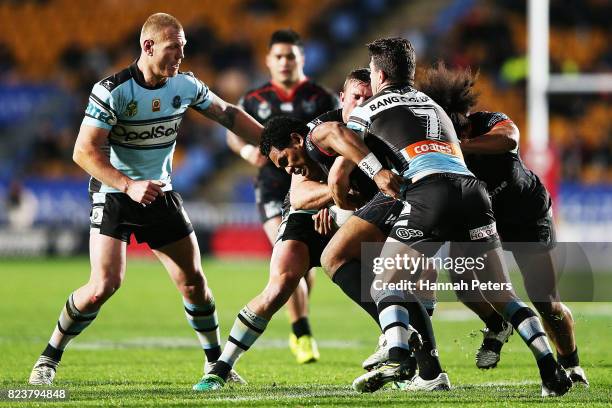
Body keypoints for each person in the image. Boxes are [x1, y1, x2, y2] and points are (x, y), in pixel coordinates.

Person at [28, 13, 263, 386]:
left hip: (160, 194)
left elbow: (229, 115)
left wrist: (271, 142)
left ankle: (217, 364)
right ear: (148, 46)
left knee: (194, 283)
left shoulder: (184, 85)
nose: (180, 57)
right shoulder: (112, 90)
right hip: (115, 195)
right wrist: (128, 185)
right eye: (174, 49)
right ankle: (48, 358)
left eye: (183, 49)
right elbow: (83, 152)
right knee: (103, 285)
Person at [337, 37, 571, 396]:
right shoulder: (435, 105)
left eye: (371, 71)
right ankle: (550, 369)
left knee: (384, 280)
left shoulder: (369, 108)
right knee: (504, 294)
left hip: (430, 191)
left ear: (380, 74)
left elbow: (340, 164)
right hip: (473, 191)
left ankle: (398, 351)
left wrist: (350, 189)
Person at [191, 68, 394, 391]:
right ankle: (221, 366)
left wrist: (338, 205)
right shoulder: (320, 132)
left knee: (390, 277)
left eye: (366, 97)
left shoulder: (388, 131)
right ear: (343, 99)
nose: (289, 167)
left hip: (360, 215)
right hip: (308, 215)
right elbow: (299, 195)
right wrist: (333, 198)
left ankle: (397, 350)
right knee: (282, 281)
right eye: (355, 97)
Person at [417, 63, 587, 385]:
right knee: (464, 284)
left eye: (462, 131)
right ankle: (498, 324)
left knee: (546, 302)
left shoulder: (488, 123)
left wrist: (459, 149)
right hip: (480, 220)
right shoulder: (437, 146)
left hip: (527, 217)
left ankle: (572, 364)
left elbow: (509, 139)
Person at [226, 29, 339, 363]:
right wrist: (248, 151)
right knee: (287, 256)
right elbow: (233, 134)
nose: (285, 62)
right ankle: (301, 331)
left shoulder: (322, 98)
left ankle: (299, 325)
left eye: (291, 56)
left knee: (304, 269)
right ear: (268, 61)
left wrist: (330, 197)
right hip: (273, 187)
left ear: (301, 59)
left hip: (314, 187)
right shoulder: (255, 99)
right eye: (279, 56)